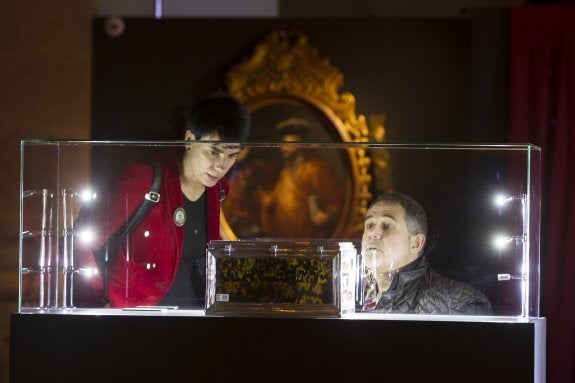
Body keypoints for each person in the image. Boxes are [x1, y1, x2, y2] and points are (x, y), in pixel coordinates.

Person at [74, 92, 251, 308]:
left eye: (231, 155)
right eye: (213, 152)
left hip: (195, 320)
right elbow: (80, 239)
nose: (221, 166)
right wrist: (98, 306)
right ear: (189, 140)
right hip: (138, 321)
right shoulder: (142, 179)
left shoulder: (218, 189)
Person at [360, 192, 492, 315]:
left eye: (387, 225)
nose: (373, 233)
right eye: (369, 225)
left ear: (416, 243)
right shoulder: (349, 299)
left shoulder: (460, 304)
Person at [257, 117, 344, 238]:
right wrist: (267, 201)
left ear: (300, 143)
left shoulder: (317, 167)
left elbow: (334, 200)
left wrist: (326, 215)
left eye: (287, 143)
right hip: (285, 233)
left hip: (307, 234)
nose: (282, 148)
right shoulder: (287, 170)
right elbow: (277, 197)